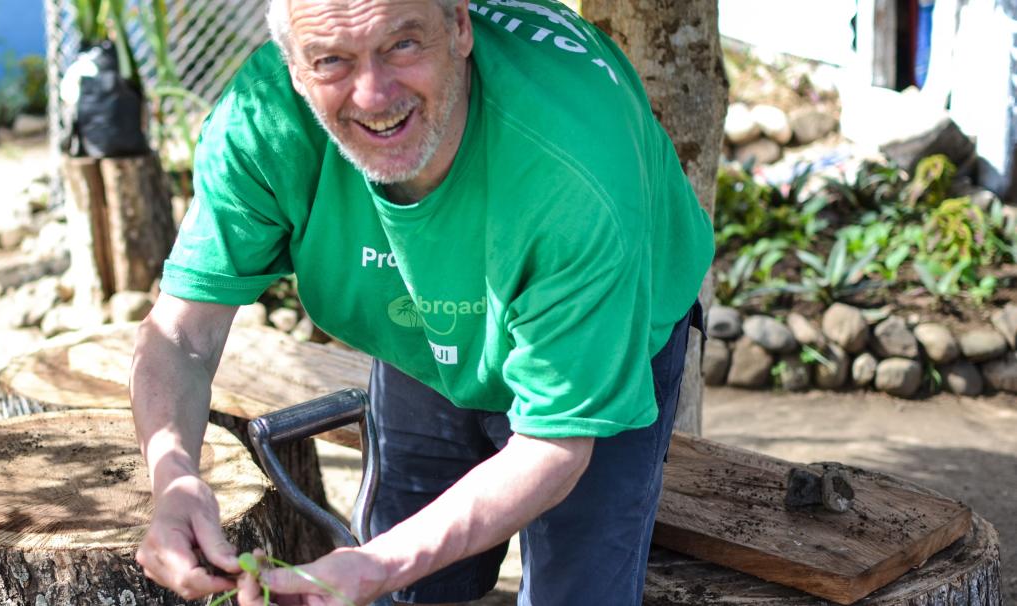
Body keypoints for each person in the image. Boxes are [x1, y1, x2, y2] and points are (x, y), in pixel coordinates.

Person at [130, 0, 714, 604]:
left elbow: (554, 446)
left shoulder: (573, 174)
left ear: (459, 27)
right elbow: (180, 335)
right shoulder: (262, 121)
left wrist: (379, 565)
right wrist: (174, 478)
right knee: (411, 588)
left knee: (576, 591)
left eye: (402, 45)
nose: (374, 95)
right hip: (421, 337)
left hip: (607, 333)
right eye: (332, 61)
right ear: (295, 69)